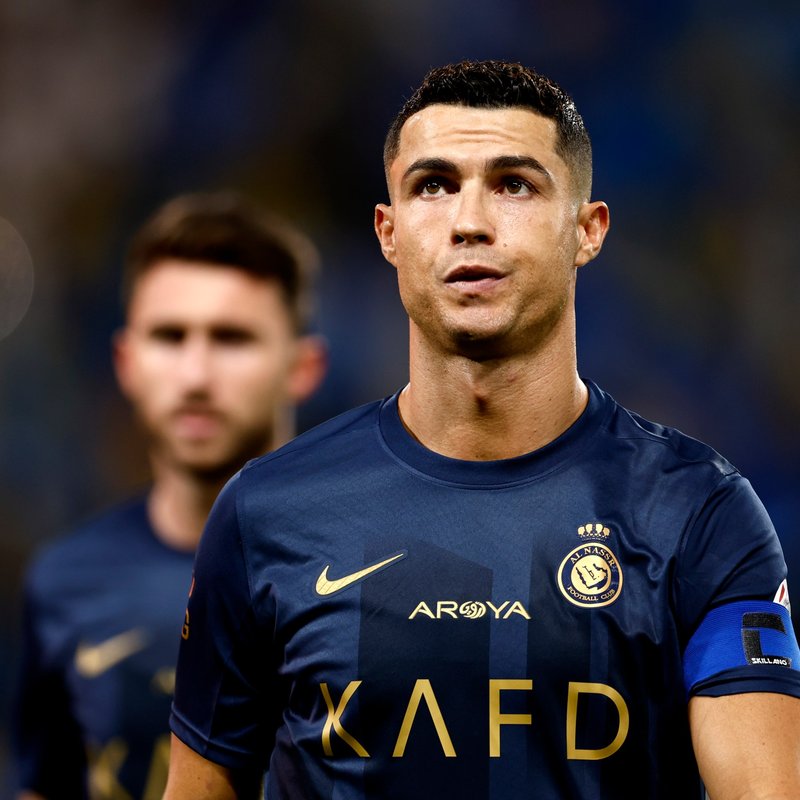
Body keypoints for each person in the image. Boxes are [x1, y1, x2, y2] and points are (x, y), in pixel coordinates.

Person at [163, 61, 800, 799]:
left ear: (587, 230)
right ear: (388, 232)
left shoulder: (698, 513)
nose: (469, 221)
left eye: (514, 185)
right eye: (434, 185)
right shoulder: (265, 513)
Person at [12, 191, 327, 800]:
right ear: (126, 361)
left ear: (303, 366)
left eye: (232, 338)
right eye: (169, 336)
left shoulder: (367, 567)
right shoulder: (64, 582)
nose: (196, 375)